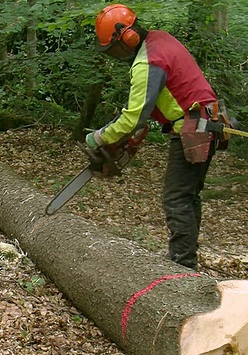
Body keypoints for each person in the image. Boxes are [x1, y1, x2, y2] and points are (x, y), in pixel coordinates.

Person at [85, 3, 223, 270]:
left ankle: (182, 266)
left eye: (113, 49)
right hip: (207, 120)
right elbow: (161, 102)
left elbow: (133, 116)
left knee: (177, 197)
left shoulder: (148, 61)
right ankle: (186, 260)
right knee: (188, 195)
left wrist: (100, 137)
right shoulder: (161, 40)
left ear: (127, 37)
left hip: (195, 127)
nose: (114, 55)